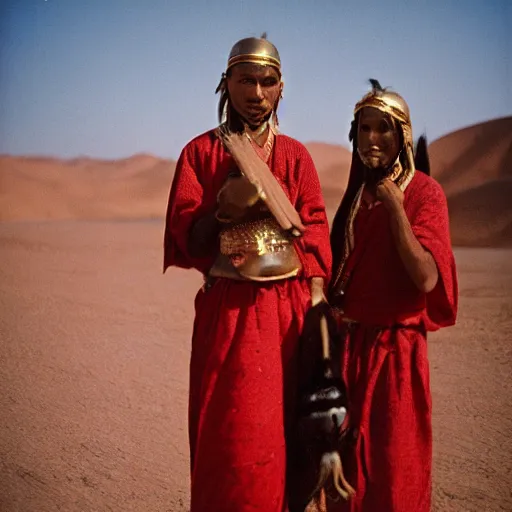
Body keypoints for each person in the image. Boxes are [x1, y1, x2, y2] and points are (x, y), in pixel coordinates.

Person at [163, 34, 332, 512]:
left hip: (290, 316)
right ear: (226, 83)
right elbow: (186, 241)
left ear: (281, 88)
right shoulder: (201, 153)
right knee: (233, 441)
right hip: (229, 312)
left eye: (267, 81)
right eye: (245, 80)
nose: (256, 93)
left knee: (289, 440)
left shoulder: (296, 156)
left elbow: (316, 233)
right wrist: (221, 213)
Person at [327, 79, 458, 512]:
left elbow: (425, 279)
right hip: (352, 353)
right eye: (363, 128)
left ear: (402, 134)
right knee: (346, 475)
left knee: (394, 471)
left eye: (383, 128)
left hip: (397, 355)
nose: (372, 139)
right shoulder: (355, 198)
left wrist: (397, 208)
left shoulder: (425, 194)